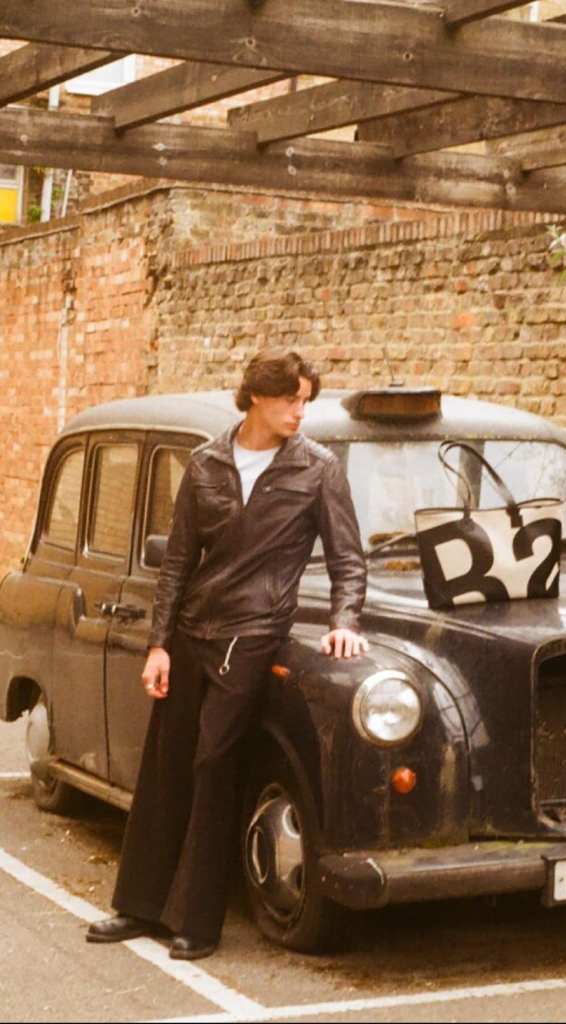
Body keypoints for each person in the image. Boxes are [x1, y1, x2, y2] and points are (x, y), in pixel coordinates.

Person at [86, 351, 368, 960]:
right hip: (191, 632)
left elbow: (348, 559)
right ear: (258, 397)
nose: (300, 411)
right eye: (291, 399)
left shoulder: (318, 469)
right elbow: (178, 562)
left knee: (213, 763)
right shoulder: (206, 462)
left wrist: (344, 622)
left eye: (306, 401)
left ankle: (196, 921)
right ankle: (137, 908)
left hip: (254, 633)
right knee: (165, 765)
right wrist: (159, 645)